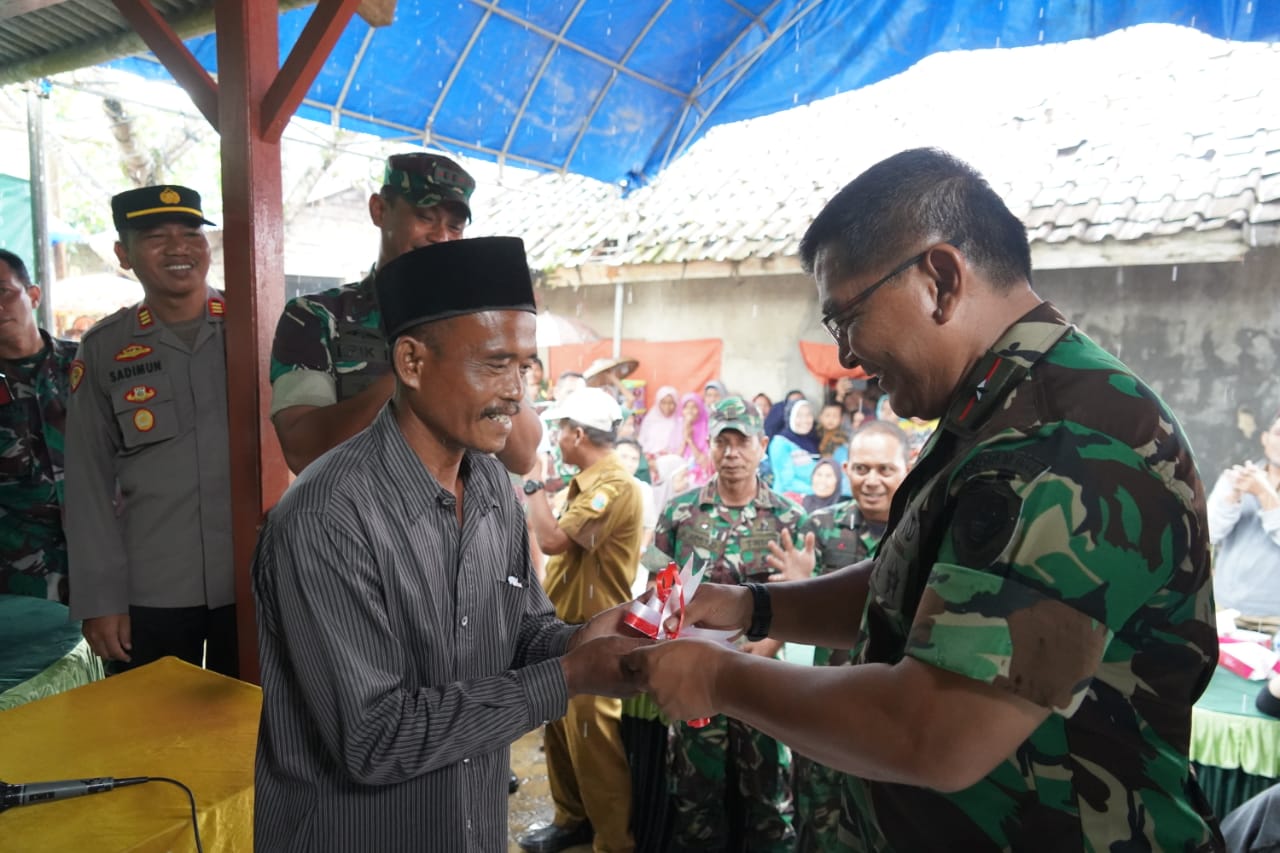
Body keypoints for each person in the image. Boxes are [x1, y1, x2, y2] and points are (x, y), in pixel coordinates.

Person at [628, 148, 1222, 850]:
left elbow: (936, 730)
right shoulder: (995, 410)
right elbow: (926, 592)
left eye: (846, 317)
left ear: (939, 279)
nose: (846, 356)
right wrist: (753, 605)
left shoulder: (1066, 438)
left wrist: (719, 677)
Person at [252, 236, 646, 853]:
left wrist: (586, 638)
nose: (517, 392)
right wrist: (568, 676)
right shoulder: (327, 518)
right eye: (494, 364)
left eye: (525, 367)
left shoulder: (489, 483)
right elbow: (375, 737)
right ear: (411, 363)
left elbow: (521, 634)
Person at [268, 152, 540, 476]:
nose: (441, 238)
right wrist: (420, 367)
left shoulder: (474, 328)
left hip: (458, 518)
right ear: (379, 210)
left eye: (455, 226)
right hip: (358, 519)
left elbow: (522, 457)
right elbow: (304, 452)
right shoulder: (316, 317)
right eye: (425, 217)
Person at [64, 185, 237, 675]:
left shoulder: (258, 327)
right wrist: (99, 598)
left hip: (251, 580)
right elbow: (86, 483)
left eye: (191, 234)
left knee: (252, 735)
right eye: (156, 236)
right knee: (150, 738)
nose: (178, 247)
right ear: (124, 254)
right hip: (151, 587)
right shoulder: (103, 349)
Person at [653, 395, 801, 853]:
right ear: (710, 447)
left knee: (770, 801)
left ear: (763, 446)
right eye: (723, 442)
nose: (731, 453)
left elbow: (803, 599)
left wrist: (772, 642)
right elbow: (657, 591)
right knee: (695, 797)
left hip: (764, 675)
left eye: (742, 442)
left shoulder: (787, 518)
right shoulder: (679, 514)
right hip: (699, 674)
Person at [766, 421, 910, 851]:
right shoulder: (821, 527)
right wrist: (798, 588)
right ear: (846, 469)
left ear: (909, 467)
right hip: (829, 705)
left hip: (897, 709)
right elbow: (795, 608)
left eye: (885, 469)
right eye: (862, 468)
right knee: (818, 817)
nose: (872, 480)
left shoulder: (925, 533)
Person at [520, 387, 643, 853]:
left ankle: (613, 841)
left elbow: (551, 541)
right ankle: (572, 821)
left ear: (577, 433)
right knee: (560, 733)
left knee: (594, 745)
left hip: (596, 633)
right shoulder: (587, 482)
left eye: (558, 431)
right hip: (565, 628)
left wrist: (532, 483)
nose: (554, 440)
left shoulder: (613, 486)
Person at [0, 249, 77, 602]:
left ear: (33, 294)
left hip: (106, 567)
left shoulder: (88, 365)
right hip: (18, 579)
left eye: (3, 291)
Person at [1207, 409, 1280, 629]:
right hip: (1224, 612)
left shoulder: (1257, 485)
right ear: (1265, 438)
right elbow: (1209, 533)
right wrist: (1233, 497)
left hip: (1275, 621)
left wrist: (1264, 494)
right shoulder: (1235, 478)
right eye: (1278, 433)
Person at [767, 398, 819, 499]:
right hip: (788, 502)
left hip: (812, 499)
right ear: (790, 417)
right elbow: (787, 481)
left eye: (808, 415)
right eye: (799, 415)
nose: (805, 420)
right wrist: (816, 491)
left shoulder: (813, 441)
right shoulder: (781, 442)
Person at [637, 385, 683, 458]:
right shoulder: (650, 420)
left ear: (676, 403)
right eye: (663, 403)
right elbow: (641, 442)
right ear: (658, 403)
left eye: (671, 403)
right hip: (649, 460)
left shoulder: (680, 422)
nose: (667, 407)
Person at [678, 391, 712, 485]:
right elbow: (675, 459)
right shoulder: (677, 426)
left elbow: (704, 463)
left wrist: (690, 441)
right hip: (680, 476)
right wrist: (685, 440)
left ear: (700, 409)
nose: (690, 411)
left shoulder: (707, 428)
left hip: (700, 477)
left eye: (694, 407)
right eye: (686, 407)